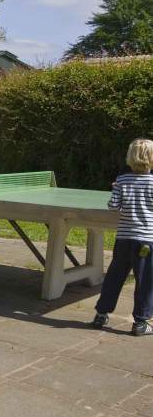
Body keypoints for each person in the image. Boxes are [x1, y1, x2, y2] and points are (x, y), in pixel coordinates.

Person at [90, 138, 153, 336]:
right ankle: (140, 322)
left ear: (130, 157)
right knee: (145, 281)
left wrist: (116, 188)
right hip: (146, 241)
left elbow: (113, 206)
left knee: (114, 277)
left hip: (124, 240)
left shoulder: (122, 180)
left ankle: (101, 314)